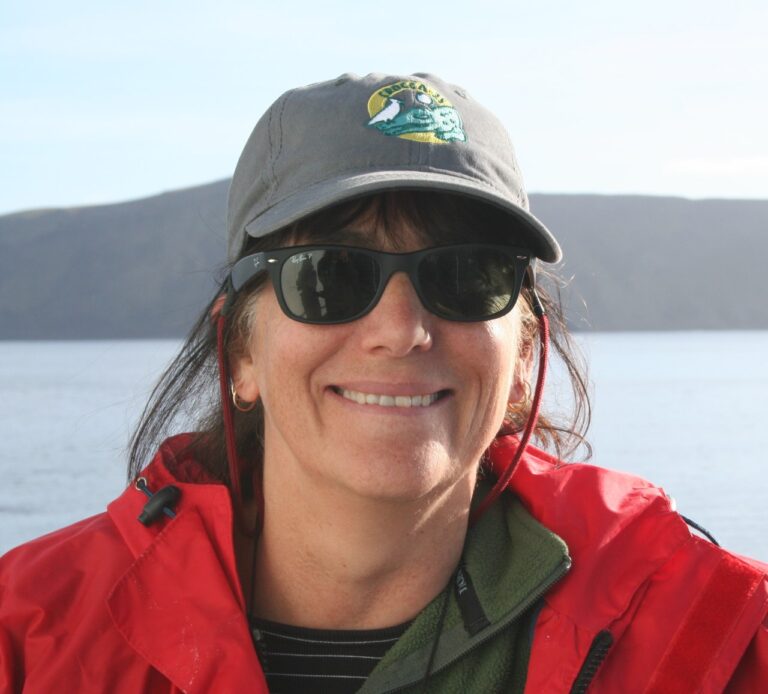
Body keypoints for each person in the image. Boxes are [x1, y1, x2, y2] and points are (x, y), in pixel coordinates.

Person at [0, 72, 765, 693]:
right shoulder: (29, 636)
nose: (402, 329)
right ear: (239, 353)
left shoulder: (723, 640)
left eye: (467, 277)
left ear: (525, 351)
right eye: (331, 276)